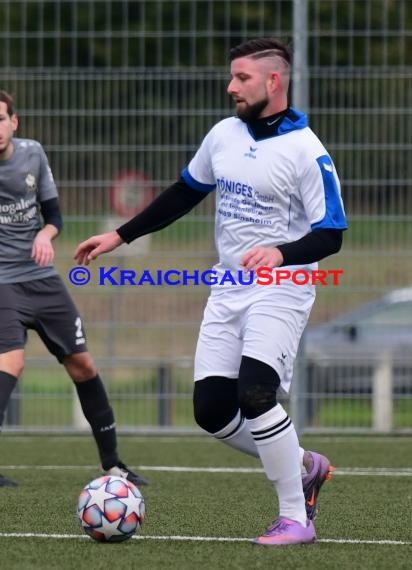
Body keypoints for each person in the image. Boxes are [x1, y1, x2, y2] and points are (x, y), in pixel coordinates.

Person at [75, 38, 347, 545]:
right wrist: (120, 235)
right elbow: (185, 191)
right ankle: (304, 465)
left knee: (257, 392)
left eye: (242, 78)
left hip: (282, 286)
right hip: (228, 286)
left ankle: (296, 517)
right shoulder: (223, 134)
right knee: (212, 409)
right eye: (231, 77)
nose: (231, 87)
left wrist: (282, 254)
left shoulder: (307, 151)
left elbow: (331, 233)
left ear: (274, 80)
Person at [0, 90, 148, 488]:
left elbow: (55, 217)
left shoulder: (33, 154)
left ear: (14, 122)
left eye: (0, 119)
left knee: (83, 364)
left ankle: (113, 464)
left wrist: (46, 236)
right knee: (11, 363)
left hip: (42, 279)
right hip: (2, 284)